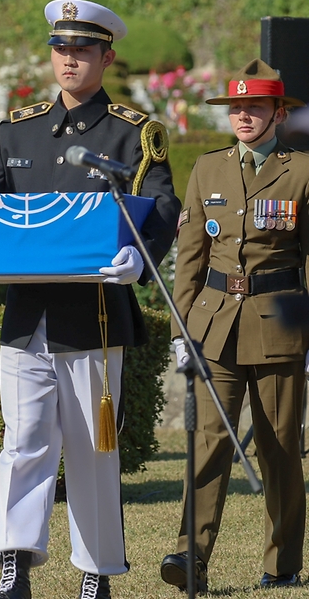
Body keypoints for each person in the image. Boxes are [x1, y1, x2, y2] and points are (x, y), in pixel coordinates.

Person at [0, 0, 180, 599]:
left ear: (106, 56)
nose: (70, 59)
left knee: (93, 451)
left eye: (83, 49)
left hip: (92, 316)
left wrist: (140, 256)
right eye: (61, 48)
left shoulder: (133, 132)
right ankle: (14, 568)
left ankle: (96, 575)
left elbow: (162, 206)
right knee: (23, 442)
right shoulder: (18, 129)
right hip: (26, 317)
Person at [160, 59, 309, 593]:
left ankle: (282, 562)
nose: (243, 116)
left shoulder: (302, 169)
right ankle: (189, 557)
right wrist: (181, 332)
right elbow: (190, 256)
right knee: (208, 442)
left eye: (254, 107)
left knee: (279, 447)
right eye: (235, 107)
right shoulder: (208, 168)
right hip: (215, 325)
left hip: (279, 328)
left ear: (278, 112)